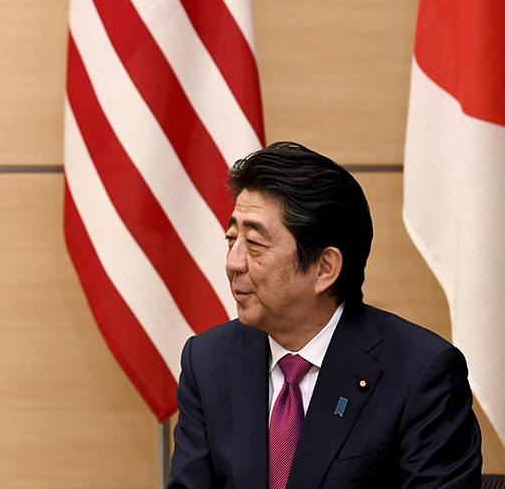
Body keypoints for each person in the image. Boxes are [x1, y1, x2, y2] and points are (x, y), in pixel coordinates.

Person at [167, 141, 482, 489]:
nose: (233, 263)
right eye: (231, 239)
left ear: (324, 269)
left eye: (254, 244)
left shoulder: (422, 374)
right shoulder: (208, 361)